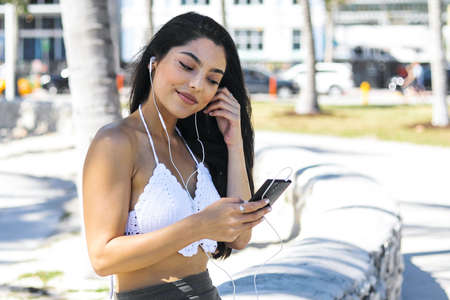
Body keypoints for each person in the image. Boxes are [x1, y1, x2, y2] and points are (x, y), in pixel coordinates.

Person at [82, 12, 272, 300]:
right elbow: (102, 258)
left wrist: (235, 143)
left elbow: (239, 238)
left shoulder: (194, 147)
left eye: (212, 79)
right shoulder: (117, 141)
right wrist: (200, 226)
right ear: (155, 61)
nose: (197, 84)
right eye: (186, 65)